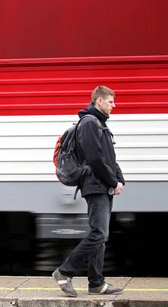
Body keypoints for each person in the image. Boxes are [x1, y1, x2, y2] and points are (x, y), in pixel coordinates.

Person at [53, 86, 126, 297]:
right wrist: (113, 181)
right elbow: (95, 159)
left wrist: (119, 179)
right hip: (95, 186)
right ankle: (64, 272)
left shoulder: (99, 124)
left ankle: (96, 283)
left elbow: (109, 158)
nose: (114, 105)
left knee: (101, 235)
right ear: (100, 100)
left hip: (102, 184)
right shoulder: (89, 124)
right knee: (99, 234)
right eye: (111, 102)